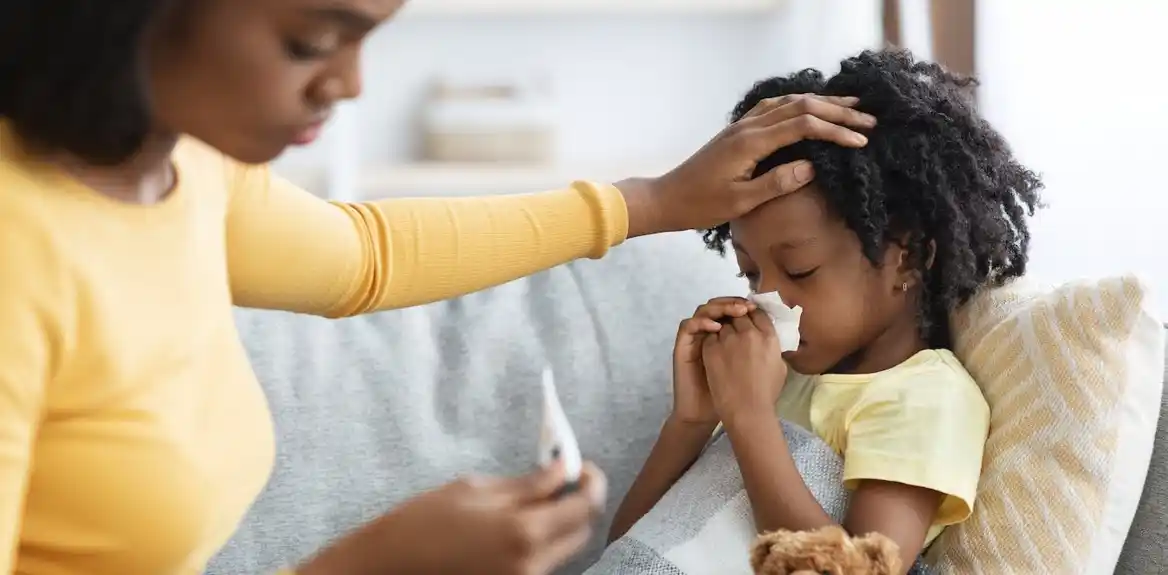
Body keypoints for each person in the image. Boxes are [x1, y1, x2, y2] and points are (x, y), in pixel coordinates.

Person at [0, 1, 881, 574]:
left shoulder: (181, 166)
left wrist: (651, 201)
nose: (350, 83)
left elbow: (362, 256)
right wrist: (369, 567)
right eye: (311, 40)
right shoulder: (22, 251)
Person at [608, 49, 1043, 572]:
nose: (766, 299)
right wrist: (693, 419)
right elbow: (626, 552)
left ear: (906, 256)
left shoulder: (924, 397)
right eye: (750, 273)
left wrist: (749, 420)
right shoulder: (783, 379)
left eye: (801, 271)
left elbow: (855, 567)